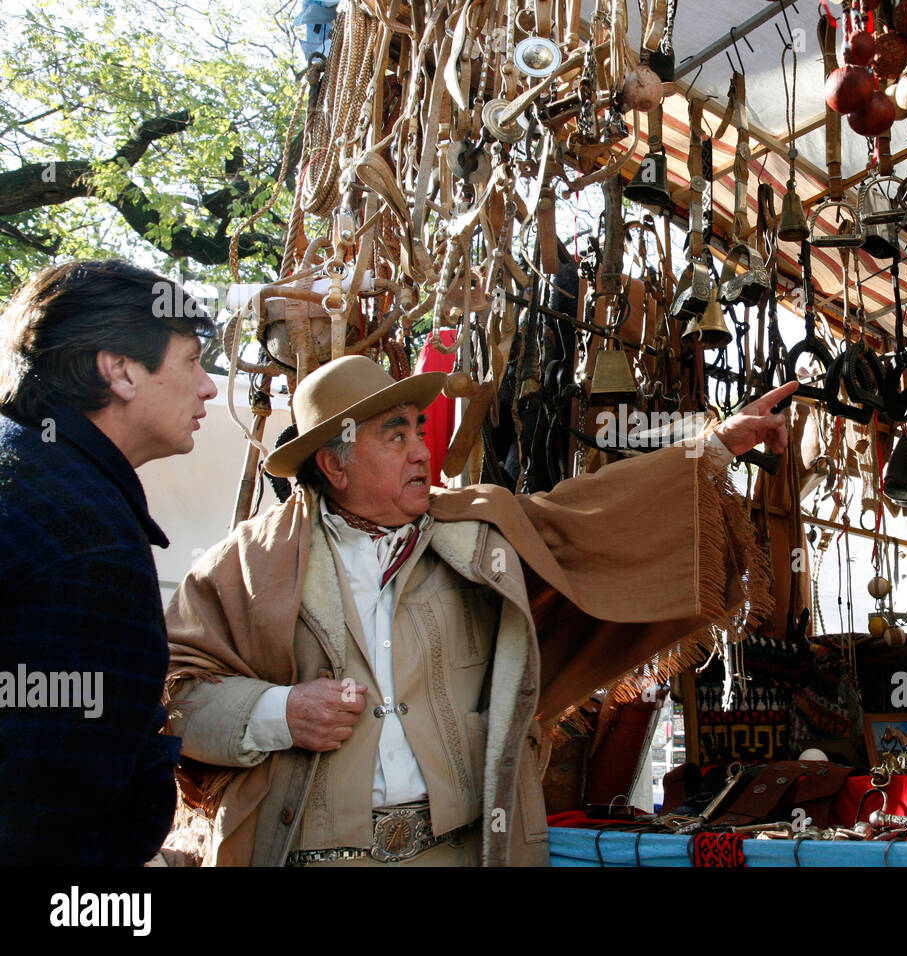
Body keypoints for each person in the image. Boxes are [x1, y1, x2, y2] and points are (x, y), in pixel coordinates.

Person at [166, 355, 794, 866]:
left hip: (461, 854)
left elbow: (587, 513)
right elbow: (173, 695)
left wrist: (714, 446)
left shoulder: (474, 533)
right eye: (396, 435)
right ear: (334, 463)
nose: (422, 450)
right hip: (307, 854)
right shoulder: (247, 567)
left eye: (419, 428)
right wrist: (280, 712)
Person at [0, 259, 218, 864]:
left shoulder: (28, 469)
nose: (209, 387)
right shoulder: (85, 537)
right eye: (192, 360)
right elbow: (54, 811)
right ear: (120, 369)